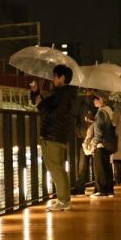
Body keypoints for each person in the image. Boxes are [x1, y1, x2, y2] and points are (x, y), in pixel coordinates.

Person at [36, 65, 77, 211]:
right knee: (59, 169)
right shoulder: (63, 94)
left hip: (52, 136)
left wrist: (41, 105)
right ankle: (64, 200)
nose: (53, 79)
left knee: (55, 169)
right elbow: (45, 105)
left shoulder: (62, 95)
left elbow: (53, 114)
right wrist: (36, 93)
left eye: (55, 76)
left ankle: (63, 201)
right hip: (58, 136)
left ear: (62, 78)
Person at [91, 93, 116, 197]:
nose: (94, 101)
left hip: (101, 144)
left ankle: (101, 190)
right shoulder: (109, 111)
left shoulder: (101, 112)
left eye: (95, 99)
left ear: (100, 100)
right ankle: (110, 190)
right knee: (107, 167)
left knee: (99, 168)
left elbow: (99, 131)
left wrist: (94, 144)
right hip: (108, 143)